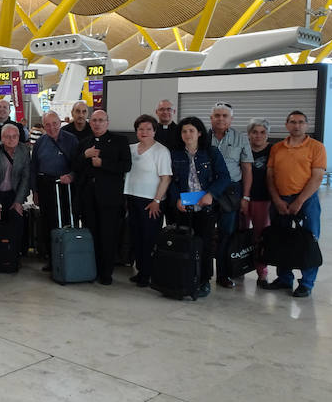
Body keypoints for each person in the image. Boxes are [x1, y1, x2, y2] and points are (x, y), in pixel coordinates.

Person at [261, 111, 326, 297]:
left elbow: (317, 177)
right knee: (282, 239)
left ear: (306, 125)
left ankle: (306, 283)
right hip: (280, 200)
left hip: (306, 200)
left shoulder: (316, 147)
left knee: (308, 240)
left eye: (300, 122)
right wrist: (276, 200)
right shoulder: (277, 148)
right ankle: (284, 278)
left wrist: (299, 201)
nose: (296, 125)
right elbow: (270, 176)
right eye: (292, 122)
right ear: (286, 124)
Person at [168, 116, 231, 298]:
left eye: (191, 131)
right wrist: (175, 199)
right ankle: (184, 277)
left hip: (205, 208)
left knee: (204, 246)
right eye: (184, 131)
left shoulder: (211, 152)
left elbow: (224, 177)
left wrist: (211, 194)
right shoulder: (175, 154)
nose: (188, 134)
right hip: (183, 207)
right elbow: (169, 179)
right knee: (184, 244)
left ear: (199, 133)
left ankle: (203, 280)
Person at [73, 110, 132, 285]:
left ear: (107, 122)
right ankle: (92, 269)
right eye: (94, 121)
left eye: (101, 120)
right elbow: (75, 165)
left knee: (108, 235)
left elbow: (126, 165)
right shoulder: (84, 143)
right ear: (90, 123)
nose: (97, 123)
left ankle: (106, 273)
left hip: (109, 198)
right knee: (92, 235)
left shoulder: (119, 141)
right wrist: (85, 155)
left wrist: (103, 163)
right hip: (88, 197)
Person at [123, 114, 172, 287]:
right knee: (136, 237)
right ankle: (141, 270)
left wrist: (157, 200)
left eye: (148, 129)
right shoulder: (131, 148)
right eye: (140, 129)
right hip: (132, 198)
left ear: (154, 131)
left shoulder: (161, 151)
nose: (144, 132)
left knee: (149, 238)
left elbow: (166, 178)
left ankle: (148, 274)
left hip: (151, 202)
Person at [209, 102, 253, 288]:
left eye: (224, 116)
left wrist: (246, 197)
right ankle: (203, 274)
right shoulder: (202, 137)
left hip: (231, 192)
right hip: (208, 191)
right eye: (217, 115)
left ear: (231, 119)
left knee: (227, 234)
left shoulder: (240, 138)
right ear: (211, 118)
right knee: (206, 233)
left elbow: (247, 169)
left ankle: (223, 275)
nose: (221, 119)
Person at [30, 111, 79, 271]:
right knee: (48, 222)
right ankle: (52, 259)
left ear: (60, 123)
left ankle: (68, 257)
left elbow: (78, 164)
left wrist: (72, 175)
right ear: (44, 126)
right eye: (47, 125)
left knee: (66, 221)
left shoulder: (71, 140)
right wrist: (35, 191)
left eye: (55, 123)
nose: (52, 128)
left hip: (65, 187)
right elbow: (34, 167)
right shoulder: (40, 142)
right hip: (45, 185)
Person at [244, 118, 272, 286]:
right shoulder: (243, 150)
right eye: (255, 132)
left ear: (267, 134)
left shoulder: (273, 150)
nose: (258, 136)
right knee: (239, 234)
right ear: (249, 134)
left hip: (263, 201)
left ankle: (262, 272)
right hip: (243, 200)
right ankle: (237, 267)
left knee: (260, 237)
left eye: (262, 132)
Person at [0, 123, 30, 230]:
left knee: (16, 224)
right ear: (2, 138)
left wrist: (18, 201)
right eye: (7, 137)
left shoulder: (24, 150)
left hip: (14, 193)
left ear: (18, 137)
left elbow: (25, 177)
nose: (11, 139)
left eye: (14, 136)